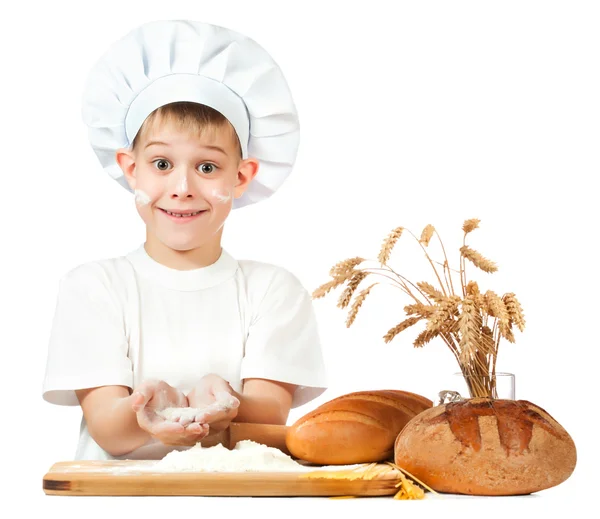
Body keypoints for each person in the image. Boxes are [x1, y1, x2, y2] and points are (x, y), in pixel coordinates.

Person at [42, 19, 328, 461]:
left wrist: (225, 402)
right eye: (160, 163)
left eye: (208, 167)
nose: (182, 187)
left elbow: (269, 419)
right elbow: (109, 432)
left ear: (242, 176)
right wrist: (147, 411)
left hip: (236, 502)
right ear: (130, 167)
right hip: (114, 504)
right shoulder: (95, 287)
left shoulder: (273, 291)